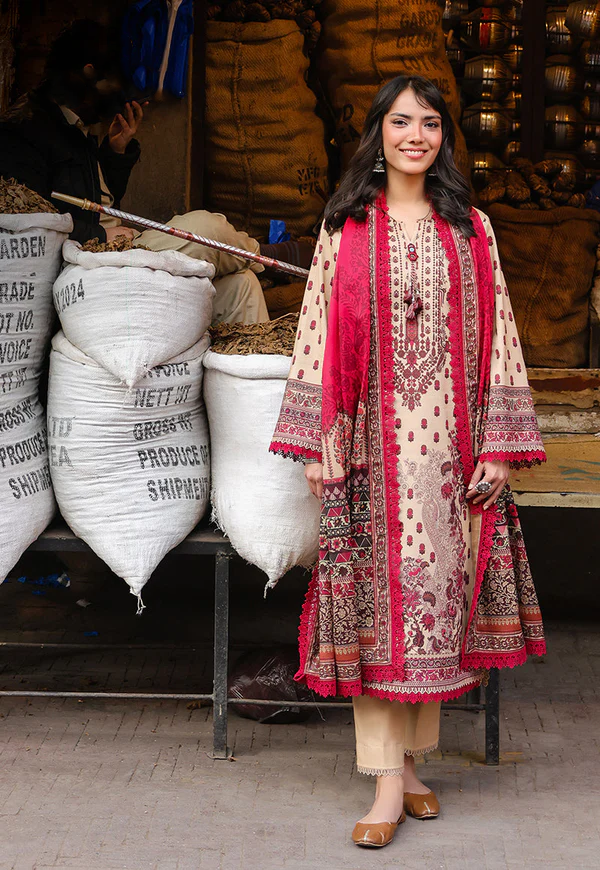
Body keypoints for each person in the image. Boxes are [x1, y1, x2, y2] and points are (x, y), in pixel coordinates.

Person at [270, 75, 547, 848]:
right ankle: (385, 779)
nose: (415, 136)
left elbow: (501, 331)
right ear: (378, 134)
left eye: (429, 123)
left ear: (443, 138)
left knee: (436, 610)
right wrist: (317, 443)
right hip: (369, 448)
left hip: (452, 454)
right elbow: (316, 331)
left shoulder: (472, 228)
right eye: (401, 122)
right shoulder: (347, 227)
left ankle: (414, 765)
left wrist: (499, 446)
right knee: (376, 611)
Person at [0, 19, 270, 325]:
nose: (120, 96)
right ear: (89, 73)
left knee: (242, 287)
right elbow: (23, 228)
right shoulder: (24, 133)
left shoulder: (74, 126)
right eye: (114, 84)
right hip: (90, 264)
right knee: (208, 229)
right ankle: (265, 256)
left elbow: (98, 203)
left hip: (113, 252)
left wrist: (115, 152)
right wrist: (98, 235)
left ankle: (255, 346)